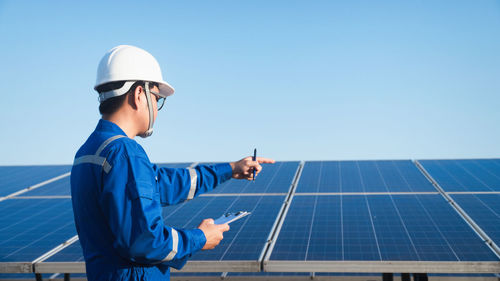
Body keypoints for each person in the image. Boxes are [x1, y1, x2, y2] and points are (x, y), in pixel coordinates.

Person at [70, 45, 274, 281]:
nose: (157, 108)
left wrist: (230, 169)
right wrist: (200, 237)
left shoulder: (89, 152)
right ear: (139, 95)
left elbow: (164, 183)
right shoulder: (125, 153)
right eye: (157, 99)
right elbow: (144, 241)